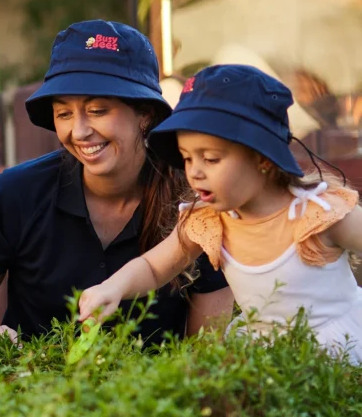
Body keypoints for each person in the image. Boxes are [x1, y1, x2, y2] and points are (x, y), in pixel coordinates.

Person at [0, 20, 233, 345]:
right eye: (64, 114)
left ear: (145, 114)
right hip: (27, 391)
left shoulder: (198, 205)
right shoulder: (18, 192)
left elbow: (206, 353)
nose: (79, 132)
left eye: (97, 110)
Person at [79, 64, 362, 362]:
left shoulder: (318, 213)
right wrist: (112, 287)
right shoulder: (209, 221)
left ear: (262, 158)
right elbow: (154, 267)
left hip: (340, 352)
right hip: (267, 357)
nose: (194, 172)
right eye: (187, 158)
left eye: (211, 159)